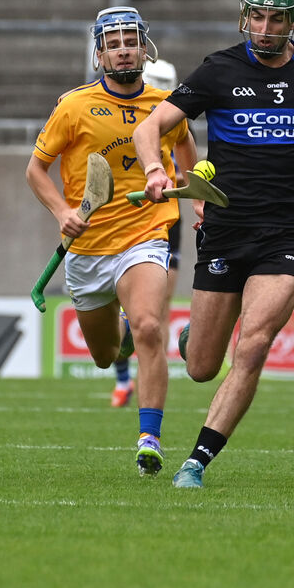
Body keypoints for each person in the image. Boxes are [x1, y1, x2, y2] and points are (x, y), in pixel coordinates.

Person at [132, 0, 294, 489]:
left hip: (288, 236)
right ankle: (196, 337)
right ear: (245, 16)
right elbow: (149, 126)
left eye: (276, 19)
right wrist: (155, 169)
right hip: (225, 230)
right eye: (258, 17)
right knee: (201, 367)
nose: (265, 29)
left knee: (253, 344)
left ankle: (196, 462)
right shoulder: (218, 71)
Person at [26, 7, 197, 475]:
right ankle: (120, 339)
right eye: (113, 44)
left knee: (149, 326)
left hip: (145, 233)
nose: (123, 50)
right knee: (105, 355)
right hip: (87, 248)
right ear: (99, 54)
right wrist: (62, 212)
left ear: (145, 49)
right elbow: (35, 170)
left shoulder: (166, 105)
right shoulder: (73, 106)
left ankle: (149, 438)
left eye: (131, 41)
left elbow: (186, 146)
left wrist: (192, 192)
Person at [110, 58, 184, 409]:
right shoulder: (122, 118)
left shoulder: (177, 119)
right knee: (120, 308)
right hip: (123, 217)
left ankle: (149, 376)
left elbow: (187, 169)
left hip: (165, 221)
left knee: (158, 310)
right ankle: (123, 378)